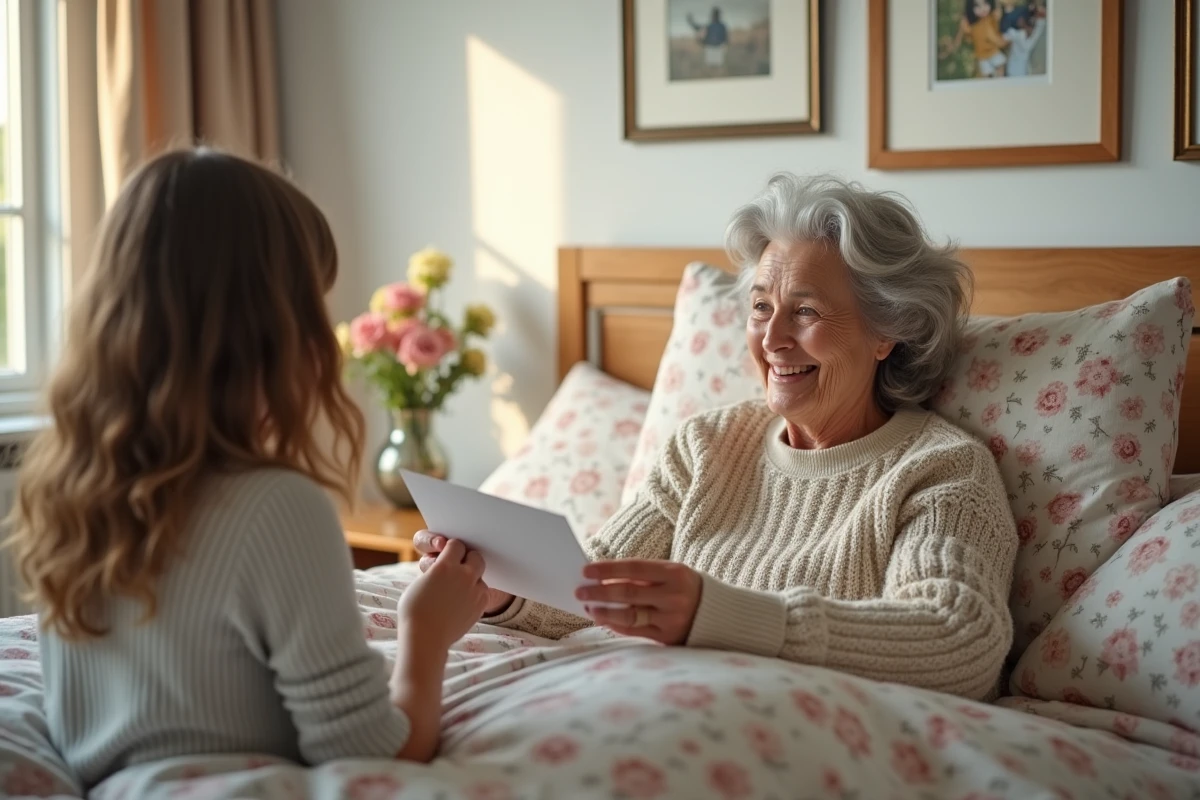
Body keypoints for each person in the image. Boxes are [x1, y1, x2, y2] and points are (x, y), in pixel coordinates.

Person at [416, 174, 1019, 702]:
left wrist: (721, 614)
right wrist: (500, 590)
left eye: (805, 312)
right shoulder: (708, 444)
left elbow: (960, 640)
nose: (772, 339)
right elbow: (596, 584)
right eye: (761, 307)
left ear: (887, 330)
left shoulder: (941, 469)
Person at [6, 149, 491, 788]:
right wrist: (425, 633)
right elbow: (378, 753)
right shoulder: (279, 507)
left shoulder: (68, 489)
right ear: (275, 330)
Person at [945, 0, 1009, 78]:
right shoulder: (973, 26)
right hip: (982, 56)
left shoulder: (991, 18)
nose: (983, 9)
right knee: (987, 74)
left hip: (993, 51)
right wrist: (964, 19)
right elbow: (964, 31)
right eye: (977, 6)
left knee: (1000, 67)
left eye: (985, 4)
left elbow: (998, 11)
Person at [1002, 4, 1047, 77]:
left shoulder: (1015, 32)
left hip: (1020, 70)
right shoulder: (1018, 33)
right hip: (1016, 71)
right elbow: (1027, 46)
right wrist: (1040, 25)